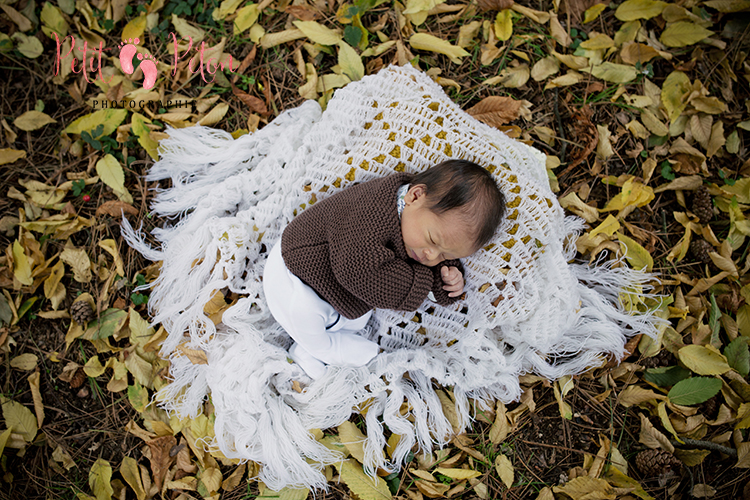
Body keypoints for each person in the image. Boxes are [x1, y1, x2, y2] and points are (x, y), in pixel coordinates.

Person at [263, 159, 505, 379]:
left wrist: (447, 276)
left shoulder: (415, 221)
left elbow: (437, 255)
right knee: (305, 316)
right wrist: (427, 279)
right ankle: (313, 350)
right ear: (415, 195)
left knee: (357, 319)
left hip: (333, 285)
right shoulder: (372, 213)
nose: (431, 256)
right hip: (294, 273)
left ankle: (326, 340)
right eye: (432, 240)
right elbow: (361, 274)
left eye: (447, 254)